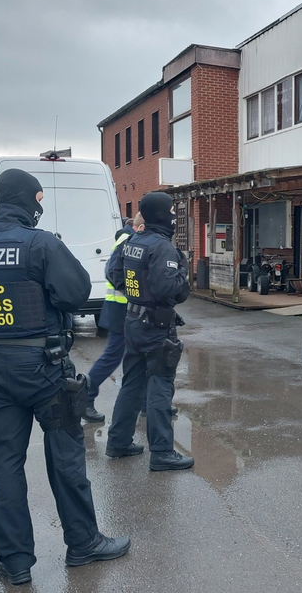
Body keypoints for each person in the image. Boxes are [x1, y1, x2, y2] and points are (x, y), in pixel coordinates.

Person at [0, 169, 129, 585]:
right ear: (31, 200)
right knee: (65, 457)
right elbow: (76, 292)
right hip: (45, 368)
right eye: (39, 199)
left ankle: (15, 561)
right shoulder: (41, 243)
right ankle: (83, 544)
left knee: (3, 464)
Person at [106, 192, 193, 471]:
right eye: (170, 211)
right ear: (161, 214)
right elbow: (169, 289)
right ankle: (162, 452)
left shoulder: (132, 240)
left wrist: (138, 296)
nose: (173, 215)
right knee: (160, 386)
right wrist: (183, 270)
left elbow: (113, 274)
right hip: (156, 327)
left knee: (132, 383)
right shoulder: (163, 247)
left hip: (132, 320)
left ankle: (118, 443)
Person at [81, 214, 145, 422]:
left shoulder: (126, 238)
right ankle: (85, 397)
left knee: (138, 355)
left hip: (123, 308)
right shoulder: (128, 240)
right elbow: (114, 272)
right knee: (113, 356)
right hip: (122, 309)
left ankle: (144, 401)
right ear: (141, 227)